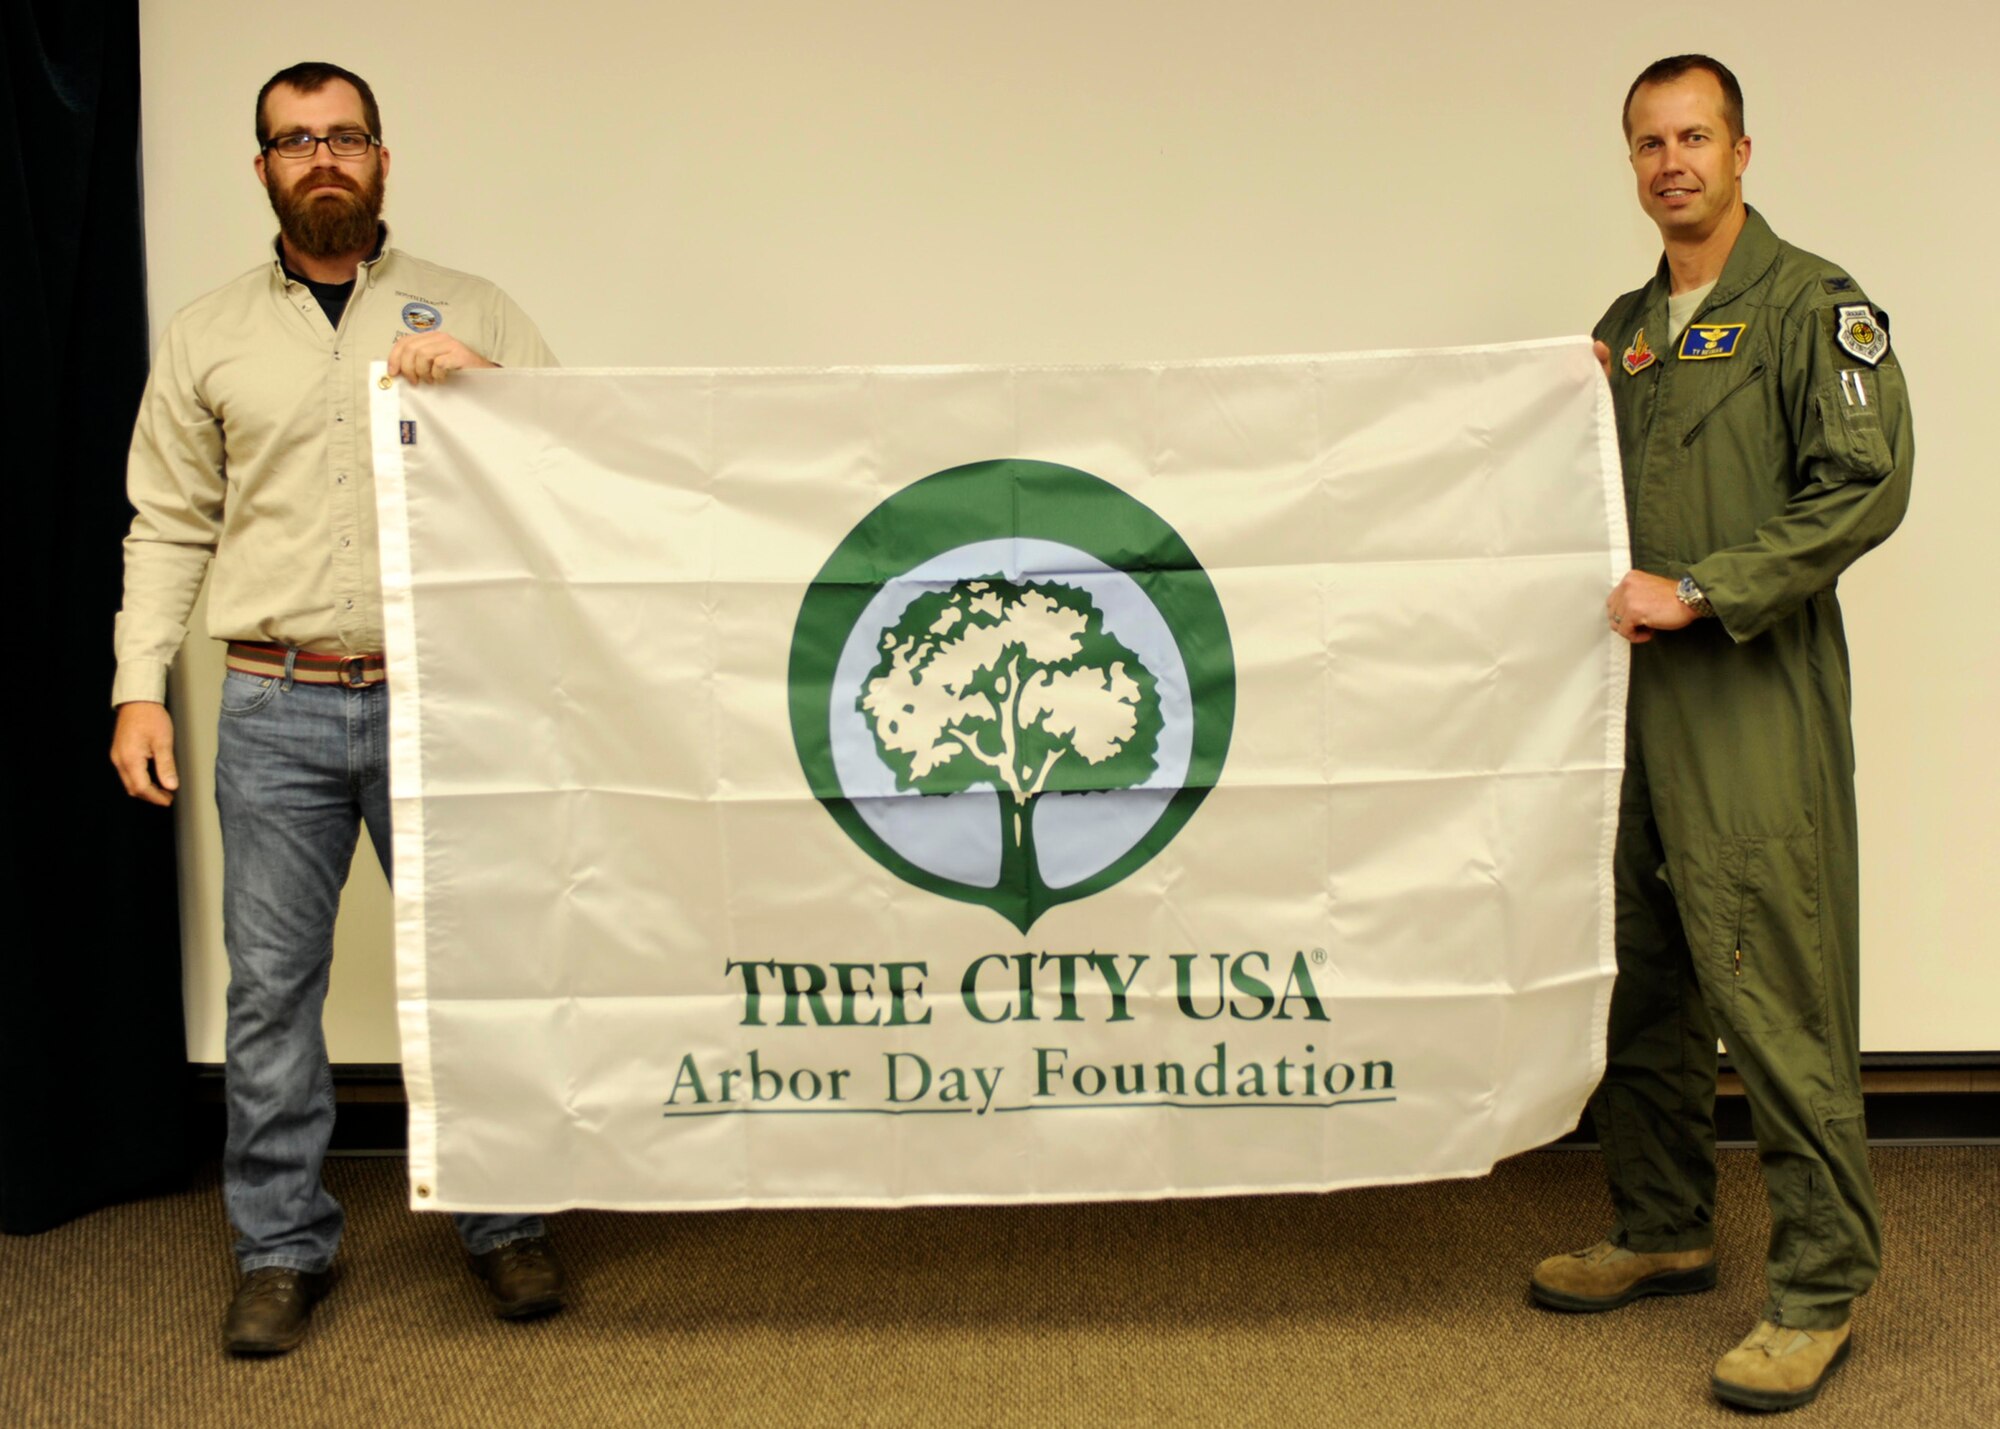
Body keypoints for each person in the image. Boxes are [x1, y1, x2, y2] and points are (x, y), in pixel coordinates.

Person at [109, 61, 568, 1356]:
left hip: (445, 699)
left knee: (479, 971)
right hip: (274, 703)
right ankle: (280, 1247)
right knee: (270, 992)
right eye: (294, 140)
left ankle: (505, 1217)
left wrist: (487, 385)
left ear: (381, 157)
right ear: (260, 168)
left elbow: (571, 470)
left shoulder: (473, 308)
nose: (323, 157)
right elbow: (167, 524)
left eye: (344, 137)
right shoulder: (207, 334)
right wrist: (138, 687)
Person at [1527, 54, 1913, 1412]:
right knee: (1648, 968)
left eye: (1695, 135)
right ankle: (1663, 1221)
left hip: (1751, 699)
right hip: (1630, 712)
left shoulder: (1815, 308)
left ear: (1745, 149)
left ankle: (1818, 1284)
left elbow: (1864, 487)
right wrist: (1546, 410)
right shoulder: (1624, 332)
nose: (1670, 160)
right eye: (1648, 142)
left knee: (1774, 979)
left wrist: (1702, 590)